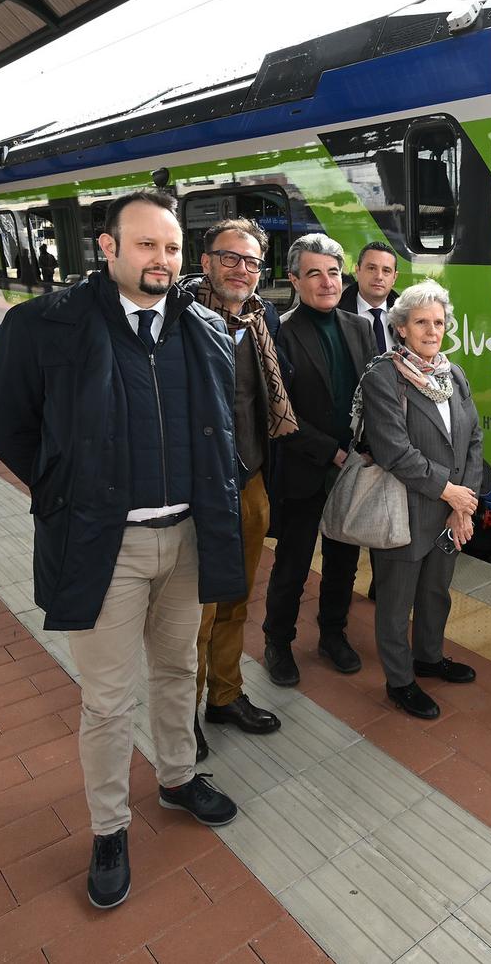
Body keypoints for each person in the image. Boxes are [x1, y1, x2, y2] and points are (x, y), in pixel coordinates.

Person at [0, 188, 246, 911]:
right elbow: (6, 424)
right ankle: (108, 828)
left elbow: (223, 427)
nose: (162, 260)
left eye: (171, 247)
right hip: (106, 543)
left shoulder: (202, 327)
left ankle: (178, 776)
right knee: (106, 699)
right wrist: (68, 485)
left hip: (187, 536)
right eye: (146, 245)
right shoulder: (46, 327)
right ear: (108, 248)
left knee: (177, 668)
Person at [180, 218, 293, 761]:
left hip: (249, 481)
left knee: (235, 602)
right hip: (196, 490)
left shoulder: (259, 319)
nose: (241, 270)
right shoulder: (174, 320)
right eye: (229, 258)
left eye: (251, 262)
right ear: (205, 262)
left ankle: (225, 696)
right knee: (193, 615)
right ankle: (184, 715)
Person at [360, 279, 486, 719]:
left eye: (438, 322)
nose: (432, 331)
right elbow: (394, 451)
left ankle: (429, 658)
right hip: (406, 509)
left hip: (450, 510)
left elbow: (473, 438)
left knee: (436, 591)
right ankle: (400, 681)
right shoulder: (383, 377)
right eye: (421, 323)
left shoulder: (453, 373)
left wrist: (461, 504)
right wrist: (449, 491)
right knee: (396, 603)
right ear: (401, 328)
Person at [263, 233, 377, 687]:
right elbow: (278, 411)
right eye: (314, 273)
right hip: (304, 468)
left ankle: (333, 634)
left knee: (344, 561)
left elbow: (375, 397)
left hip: (351, 471)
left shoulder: (360, 327)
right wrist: (330, 451)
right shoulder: (280, 332)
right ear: (294, 279)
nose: (327, 281)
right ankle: (277, 642)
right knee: (291, 563)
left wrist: (368, 448)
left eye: (333, 272)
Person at [340, 240, 400, 353]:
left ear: (394, 278)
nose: (379, 276)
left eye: (386, 270)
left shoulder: (407, 316)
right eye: (371, 268)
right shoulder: (336, 315)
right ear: (357, 271)